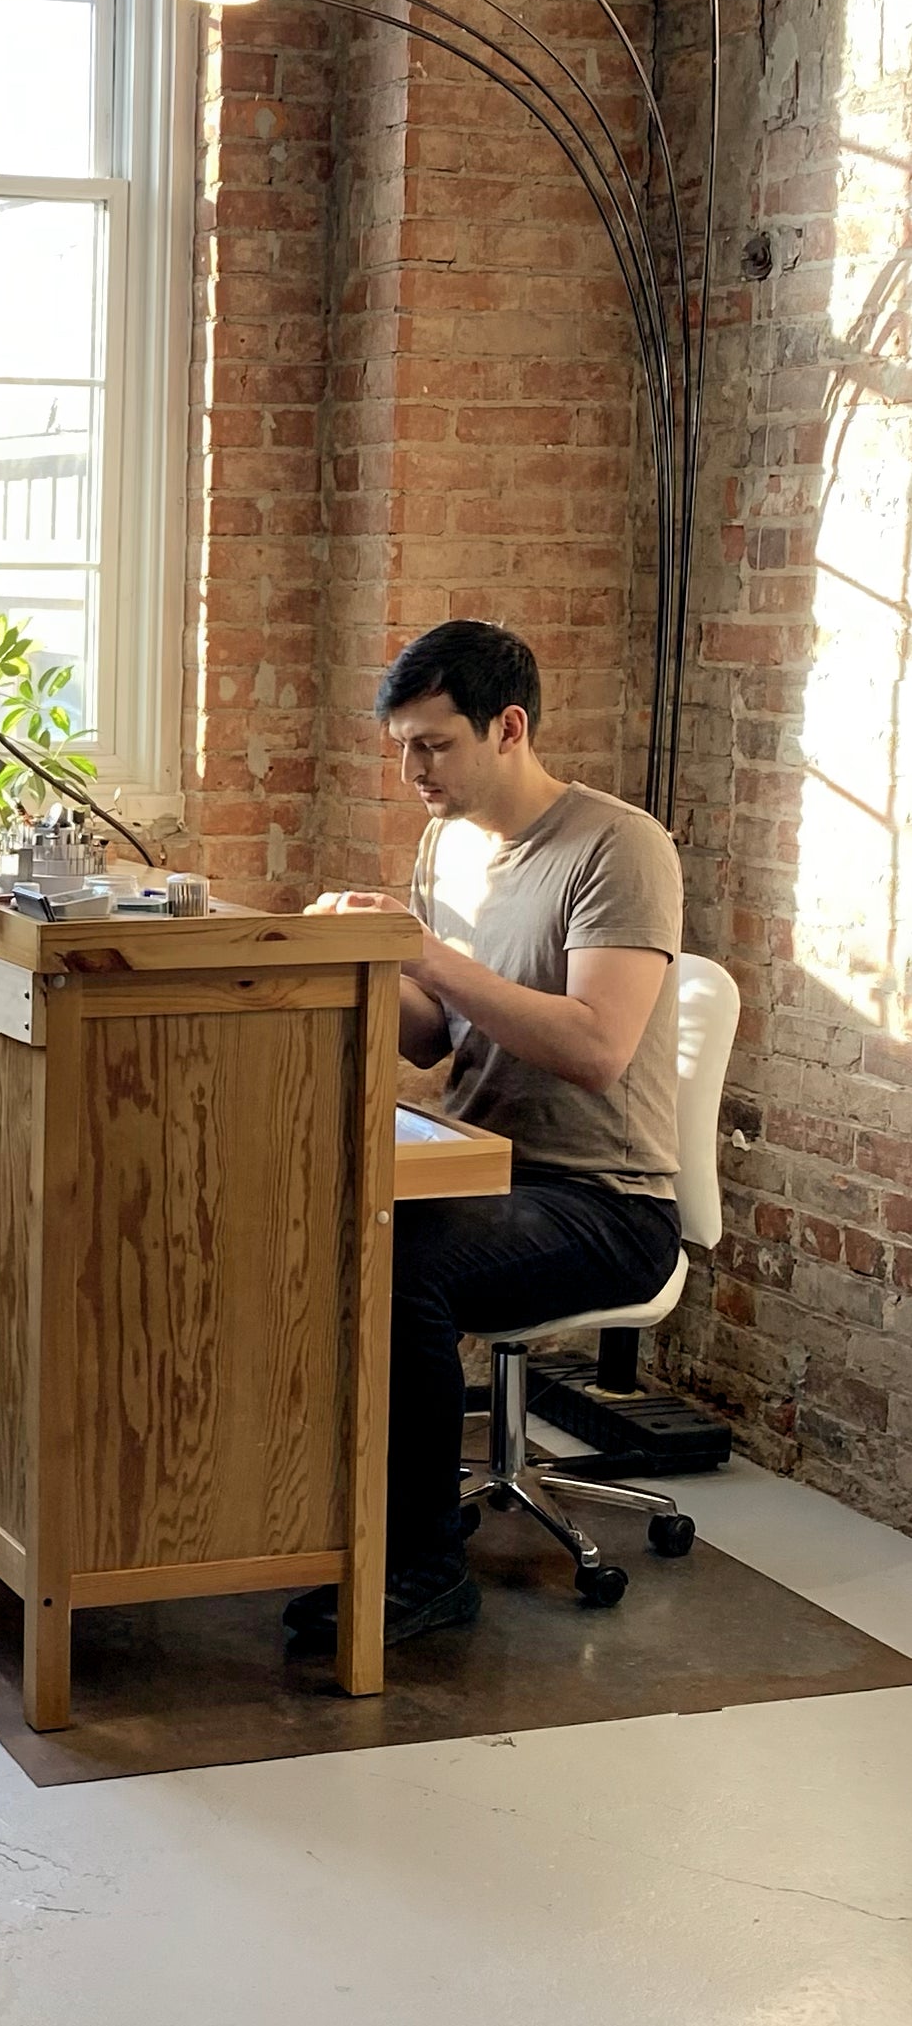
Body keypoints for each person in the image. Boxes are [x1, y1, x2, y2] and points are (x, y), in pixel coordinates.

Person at [297, 619, 683, 1649]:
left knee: (399, 1264)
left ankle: (422, 1570)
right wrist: (360, 967)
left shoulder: (617, 848)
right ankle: (325, 1536)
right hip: (484, 1163)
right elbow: (438, 1036)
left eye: (433, 745)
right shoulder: (446, 842)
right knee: (317, 1221)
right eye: (401, 749)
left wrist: (425, 950)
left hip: (603, 1200)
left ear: (506, 727)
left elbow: (596, 1046)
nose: (412, 770)